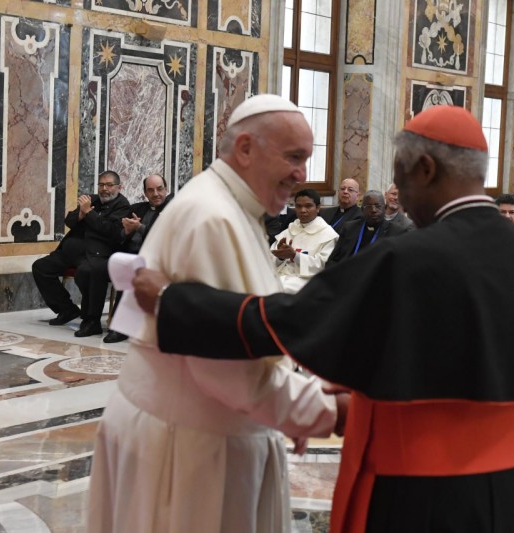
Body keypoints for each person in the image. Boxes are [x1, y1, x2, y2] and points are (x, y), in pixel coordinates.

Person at [131, 104, 514, 533]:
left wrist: (172, 300)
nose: (400, 195)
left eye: (401, 177)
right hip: (504, 490)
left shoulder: (406, 258)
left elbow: (284, 321)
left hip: (415, 493)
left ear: (425, 168)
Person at [87, 95, 344, 533]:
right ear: (245, 149)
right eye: (294, 157)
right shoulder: (211, 216)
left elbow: (245, 320)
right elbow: (225, 367)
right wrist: (322, 410)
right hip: (190, 451)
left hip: (205, 436)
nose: (303, 175)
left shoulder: (233, 205)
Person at [32, 170, 131, 337]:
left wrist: (89, 213)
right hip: (69, 253)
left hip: (95, 254)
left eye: (109, 185)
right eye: (101, 185)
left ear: (119, 187)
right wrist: (80, 213)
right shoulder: (91, 200)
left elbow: (109, 230)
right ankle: (66, 309)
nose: (104, 189)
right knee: (41, 267)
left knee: (87, 272)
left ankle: (91, 321)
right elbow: (69, 220)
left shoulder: (123, 206)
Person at [104, 175, 174, 343]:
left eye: (159, 189)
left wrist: (140, 227)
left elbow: (164, 238)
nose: (155, 194)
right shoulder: (137, 208)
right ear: (145, 193)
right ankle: (103, 321)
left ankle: (121, 328)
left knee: (132, 271)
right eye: (150, 190)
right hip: (132, 255)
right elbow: (118, 235)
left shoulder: (173, 210)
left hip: (159, 260)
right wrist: (127, 231)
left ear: (166, 189)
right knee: (110, 266)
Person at [271, 188, 339, 293]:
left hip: (306, 281)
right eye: (298, 206)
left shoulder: (328, 234)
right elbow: (269, 259)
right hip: (280, 276)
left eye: (308, 206)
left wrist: (295, 256)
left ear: (318, 208)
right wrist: (280, 257)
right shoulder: (289, 230)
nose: (302, 210)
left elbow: (323, 265)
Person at [326, 190, 409, 266]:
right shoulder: (349, 228)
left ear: (384, 208)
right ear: (362, 209)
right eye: (369, 206)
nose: (373, 210)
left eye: (378, 206)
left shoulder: (396, 232)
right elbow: (332, 260)